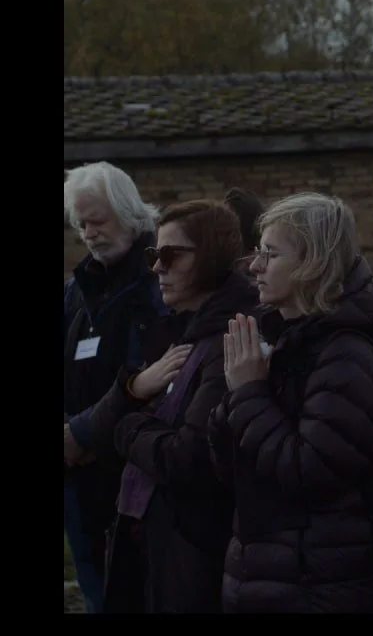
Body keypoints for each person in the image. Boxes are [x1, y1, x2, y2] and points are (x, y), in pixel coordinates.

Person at [207, 192, 373, 613]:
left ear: (313, 262)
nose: (254, 267)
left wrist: (249, 392)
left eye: (270, 255)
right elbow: (228, 467)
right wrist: (238, 394)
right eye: (258, 253)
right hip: (268, 571)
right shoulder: (286, 340)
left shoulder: (346, 356)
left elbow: (311, 472)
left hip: (316, 581)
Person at [82, 199, 257, 612]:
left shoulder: (228, 340)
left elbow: (189, 458)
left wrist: (131, 426)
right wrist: (133, 389)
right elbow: (109, 425)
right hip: (151, 541)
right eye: (152, 254)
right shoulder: (176, 329)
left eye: (169, 255)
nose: (156, 267)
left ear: (211, 257)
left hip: (191, 551)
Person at [62, 161, 166, 613]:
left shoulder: (155, 283)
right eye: (81, 223)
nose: (88, 233)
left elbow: (145, 375)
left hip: (132, 475)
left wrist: (81, 434)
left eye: (97, 221)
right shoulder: (78, 289)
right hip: (77, 476)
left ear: (128, 212)